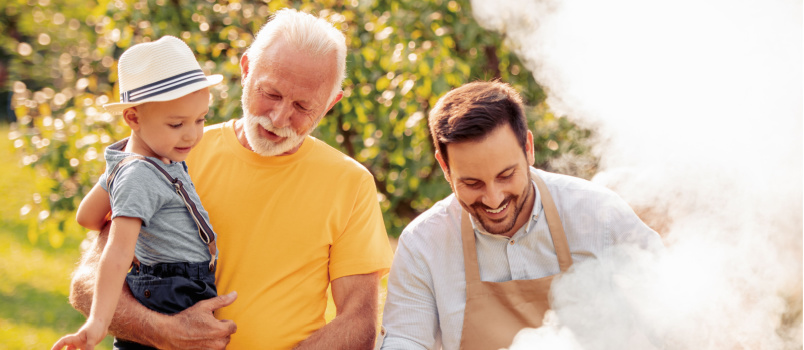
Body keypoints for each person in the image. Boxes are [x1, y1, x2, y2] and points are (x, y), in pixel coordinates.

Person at [68, 8, 394, 350]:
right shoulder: (167, 152)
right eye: (271, 93)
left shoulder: (350, 183)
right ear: (246, 69)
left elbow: (357, 322)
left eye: (303, 106)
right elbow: (88, 282)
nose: (280, 117)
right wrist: (163, 331)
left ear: (330, 104)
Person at [378, 81, 663, 350]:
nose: (493, 198)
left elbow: (674, 309)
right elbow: (405, 339)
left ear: (528, 148)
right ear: (444, 166)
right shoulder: (423, 243)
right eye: (472, 183)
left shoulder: (599, 214)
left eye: (506, 175)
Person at [52, 36, 223, 350]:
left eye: (201, 120)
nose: (193, 134)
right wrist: (98, 323)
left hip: (170, 283)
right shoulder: (140, 174)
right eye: (176, 124)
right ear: (132, 118)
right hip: (175, 289)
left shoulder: (132, 162)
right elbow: (116, 254)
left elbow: (87, 217)